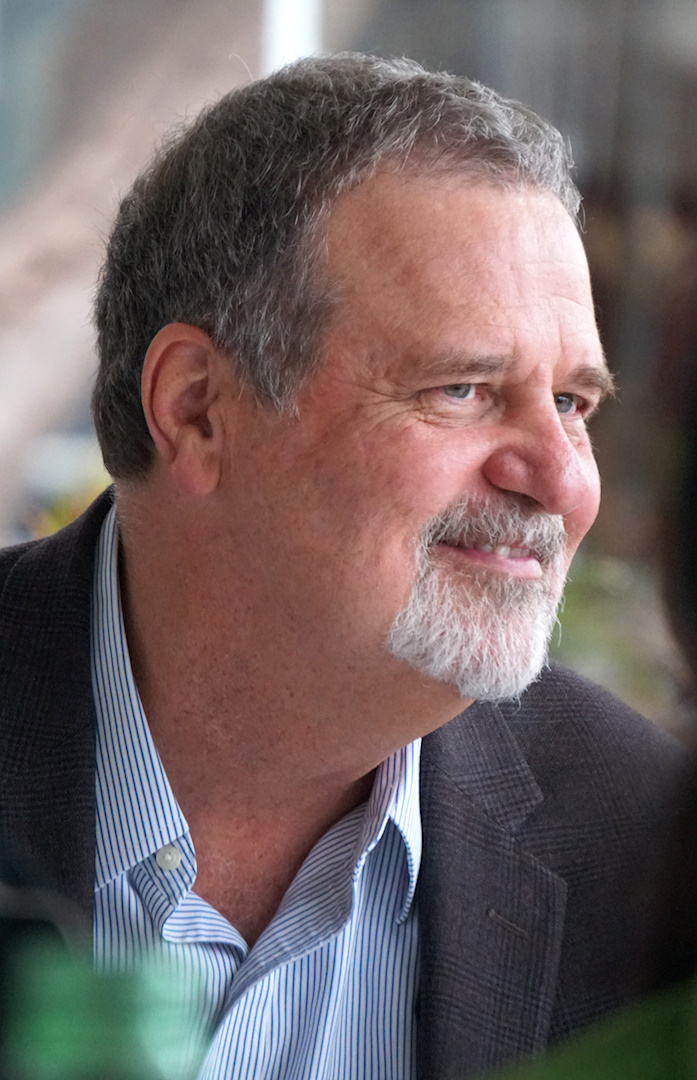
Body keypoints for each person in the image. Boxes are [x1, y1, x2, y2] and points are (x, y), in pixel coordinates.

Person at [0, 54, 684, 1080]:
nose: (558, 480)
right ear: (197, 410)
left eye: (570, 404)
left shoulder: (638, 849)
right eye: (461, 389)